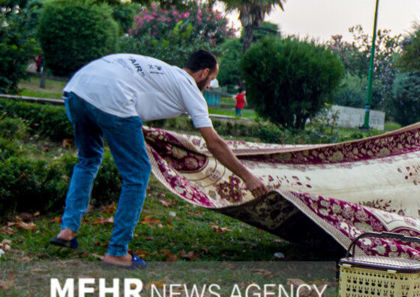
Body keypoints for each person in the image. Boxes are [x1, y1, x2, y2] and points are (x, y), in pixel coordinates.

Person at [50, 51, 268, 268]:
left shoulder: (165, 72)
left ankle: (67, 230)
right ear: (203, 73)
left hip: (76, 89)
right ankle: (117, 252)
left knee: (88, 159)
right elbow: (214, 143)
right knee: (137, 174)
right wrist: (247, 177)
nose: (210, 85)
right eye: (211, 79)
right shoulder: (190, 88)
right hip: (113, 97)